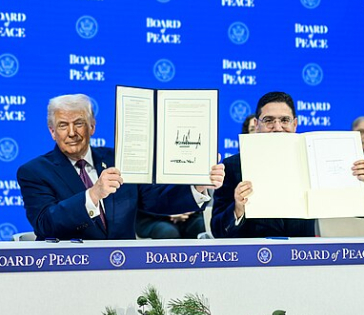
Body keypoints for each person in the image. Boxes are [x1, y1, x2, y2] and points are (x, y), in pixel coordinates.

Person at [16, 94, 223, 240]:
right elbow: (45, 223)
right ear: (52, 132)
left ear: (92, 127)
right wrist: (93, 195)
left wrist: (197, 187)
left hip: (123, 270)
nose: (72, 132)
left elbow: (155, 199)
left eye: (79, 123)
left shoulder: (119, 159)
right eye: (63, 125)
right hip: (69, 273)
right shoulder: (34, 172)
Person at [212, 91, 364, 238]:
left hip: (302, 257)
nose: (277, 127)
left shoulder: (316, 157)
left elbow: (359, 210)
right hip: (252, 260)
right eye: (269, 120)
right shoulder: (232, 166)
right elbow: (217, 230)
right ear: (256, 125)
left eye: (284, 120)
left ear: (295, 124)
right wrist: (238, 209)